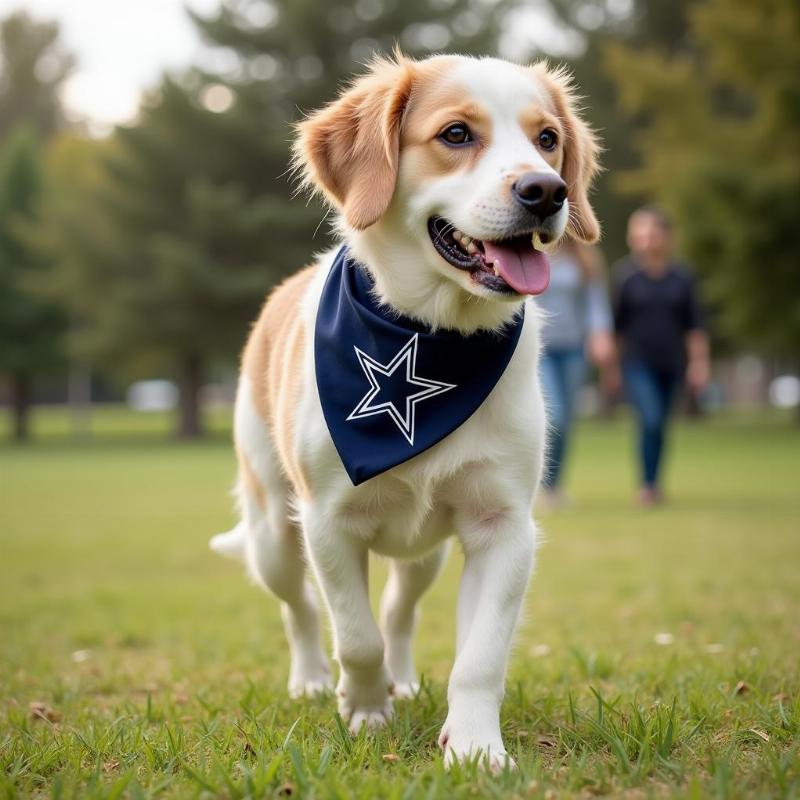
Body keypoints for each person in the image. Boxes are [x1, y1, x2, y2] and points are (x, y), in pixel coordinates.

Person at [614, 207, 710, 506]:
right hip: (636, 362)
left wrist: (699, 364)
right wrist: (611, 370)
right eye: (638, 234)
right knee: (651, 418)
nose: (643, 240)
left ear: (665, 237)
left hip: (671, 363)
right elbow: (616, 328)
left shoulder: (683, 278)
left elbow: (694, 327)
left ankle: (653, 483)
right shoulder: (625, 277)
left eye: (650, 234)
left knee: (661, 424)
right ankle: (647, 485)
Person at [538, 241, 618, 507]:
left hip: (574, 349)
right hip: (540, 349)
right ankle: (538, 482)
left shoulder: (585, 257)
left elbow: (596, 303)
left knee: (567, 422)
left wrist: (600, 334)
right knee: (554, 418)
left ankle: (553, 486)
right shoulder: (532, 250)